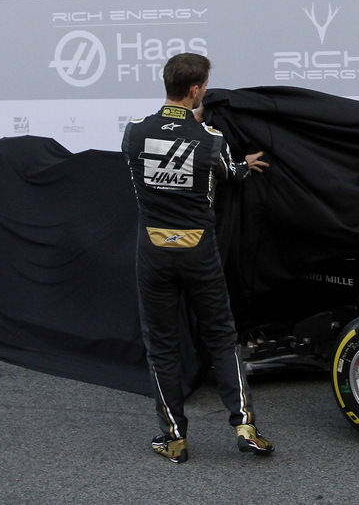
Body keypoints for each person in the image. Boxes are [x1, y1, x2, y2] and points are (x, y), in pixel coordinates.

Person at [121, 52, 275, 464]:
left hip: (153, 250)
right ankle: (245, 426)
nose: (205, 90)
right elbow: (227, 173)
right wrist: (246, 164)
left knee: (162, 345)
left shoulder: (134, 132)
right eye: (204, 85)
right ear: (195, 90)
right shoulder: (211, 139)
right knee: (222, 337)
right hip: (198, 251)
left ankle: (173, 437)